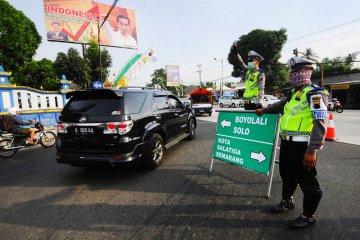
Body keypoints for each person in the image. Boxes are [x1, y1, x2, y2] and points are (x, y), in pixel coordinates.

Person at [255, 56, 329, 229]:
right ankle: (287, 201)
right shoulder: (294, 93)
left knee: (308, 182)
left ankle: (308, 216)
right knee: (287, 174)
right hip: (287, 143)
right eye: (292, 72)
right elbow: (281, 106)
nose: (293, 76)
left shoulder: (315, 93)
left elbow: (320, 122)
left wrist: (313, 150)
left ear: (307, 73)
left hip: (303, 146)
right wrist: (264, 110)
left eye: (297, 72)